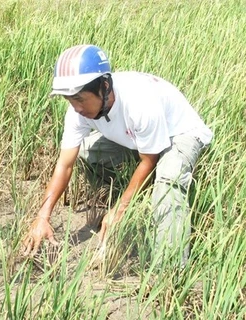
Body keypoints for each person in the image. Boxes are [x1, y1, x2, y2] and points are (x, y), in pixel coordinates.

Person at [22, 44, 213, 267]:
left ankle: (170, 270)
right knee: (86, 152)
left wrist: (121, 209)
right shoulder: (78, 111)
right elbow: (64, 165)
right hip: (137, 138)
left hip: (178, 134)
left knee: (168, 185)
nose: (76, 108)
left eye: (80, 99)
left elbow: (149, 160)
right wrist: (42, 216)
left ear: (104, 86)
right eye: (70, 101)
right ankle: (125, 196)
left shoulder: (139, 103)